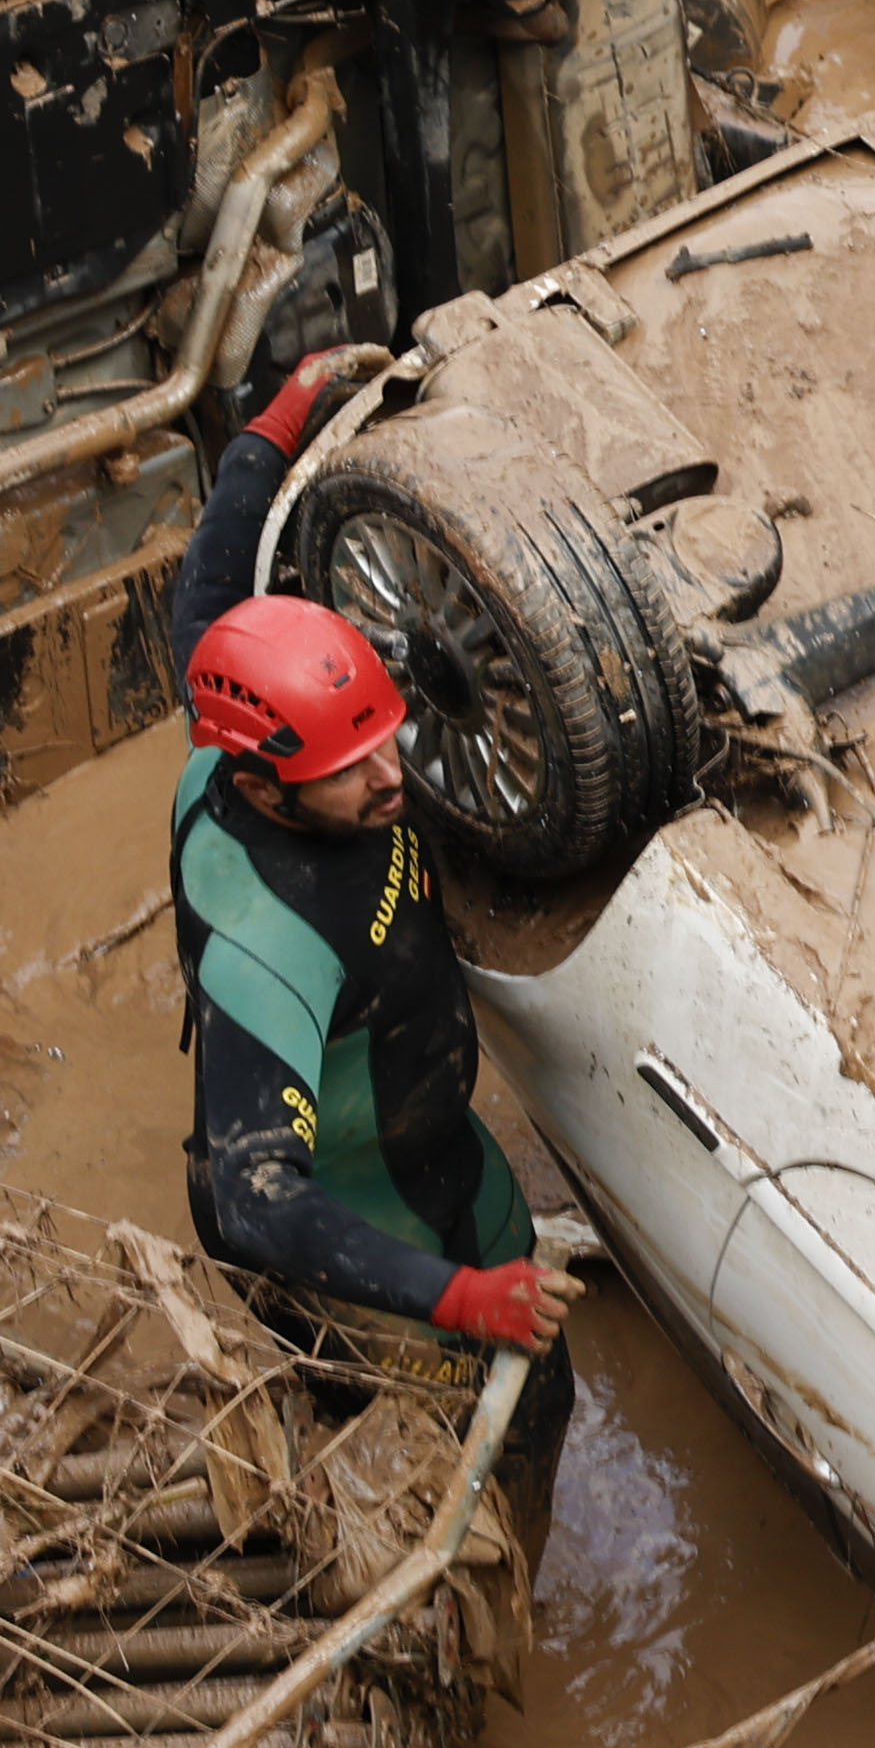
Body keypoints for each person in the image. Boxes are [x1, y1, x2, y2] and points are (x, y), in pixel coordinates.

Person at [169, 347, 581, 1458]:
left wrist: (284, 415)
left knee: (549, 1398)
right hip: (359, 1229)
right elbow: (257, 1198)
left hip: (445, 1155)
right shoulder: (267, 949)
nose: (393, 776)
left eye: (382, 734)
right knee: (444, 1455)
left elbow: (209, 584)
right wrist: (455, 1301)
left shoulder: (243, 718)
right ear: (259, 785)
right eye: (351, 770)